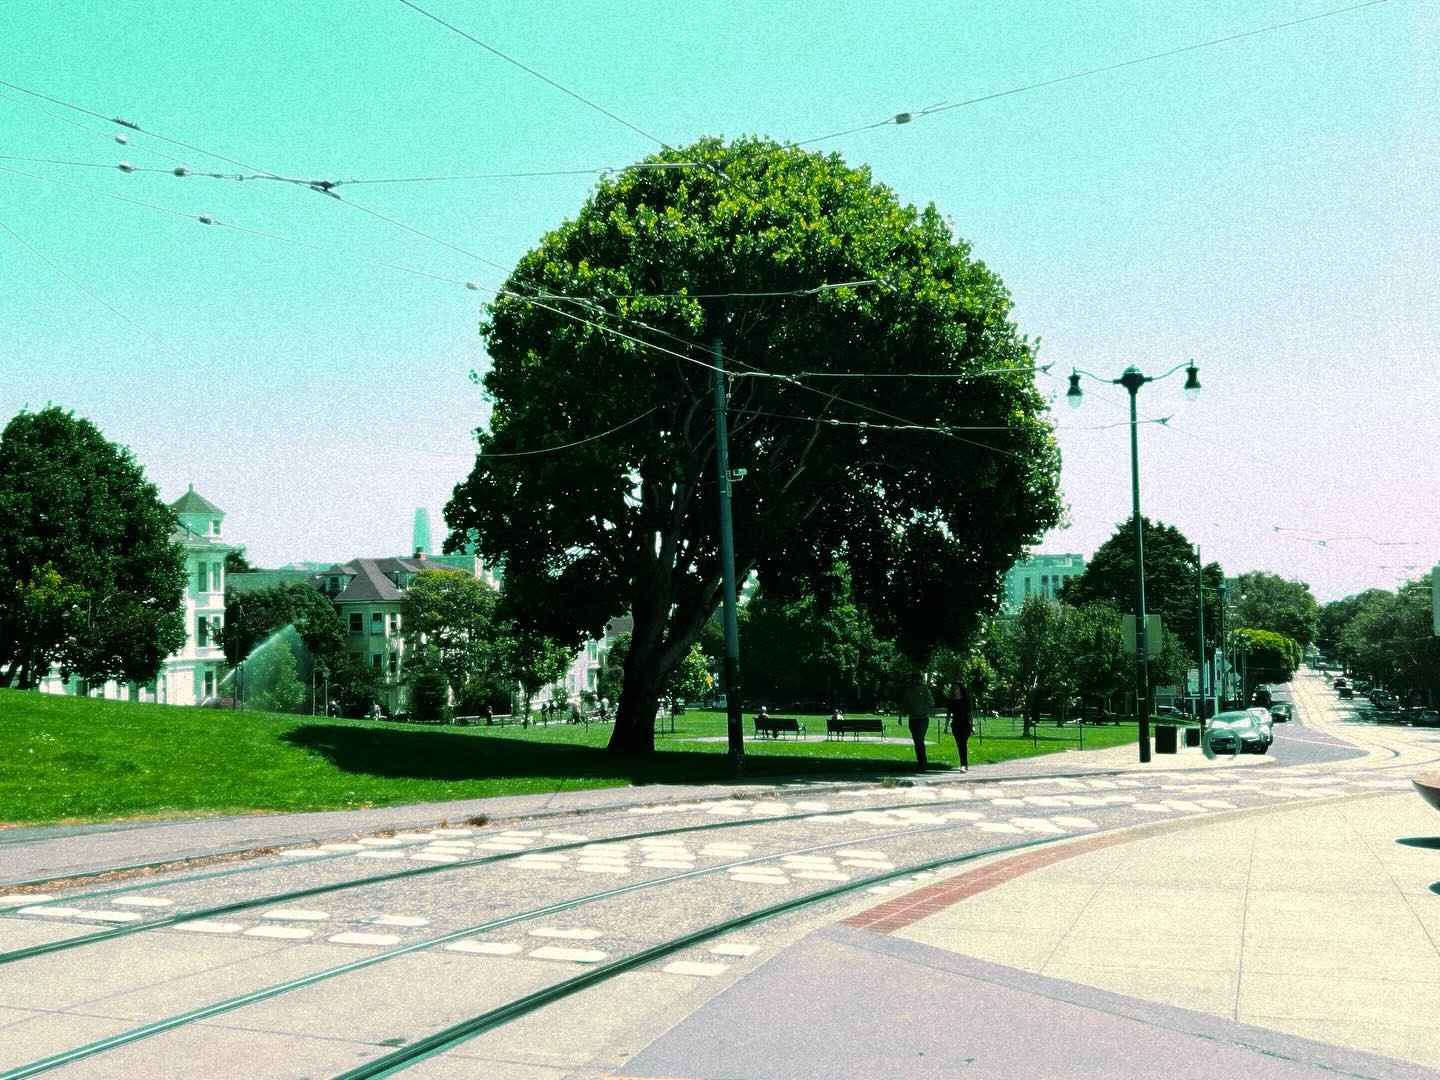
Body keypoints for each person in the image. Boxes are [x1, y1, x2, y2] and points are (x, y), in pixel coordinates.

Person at [900, 671, 933, 770]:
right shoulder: (909, 691)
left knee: (920, 740)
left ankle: (923, 762)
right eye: (915, 678)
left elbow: (931, 703)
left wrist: (924, 708)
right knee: (917, 741)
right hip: (913, 719)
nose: (917, 680)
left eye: (919, 678)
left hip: (923, 719)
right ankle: (920, 761)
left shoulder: (925, 690)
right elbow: (904, 704)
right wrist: (900, 716)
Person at [946, 682, 973, 772]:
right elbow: (949, 714)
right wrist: (946, 727)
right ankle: (964, 764)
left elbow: (969, 714)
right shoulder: (951, 701)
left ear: (960, 689)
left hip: (965, 724)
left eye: (956, 688)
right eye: (954, 688)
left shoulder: (965, 700)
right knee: (959, 744)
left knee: (963, 744)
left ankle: (964, 764)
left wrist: (972, 725)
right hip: (956, 725)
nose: (955, 690)